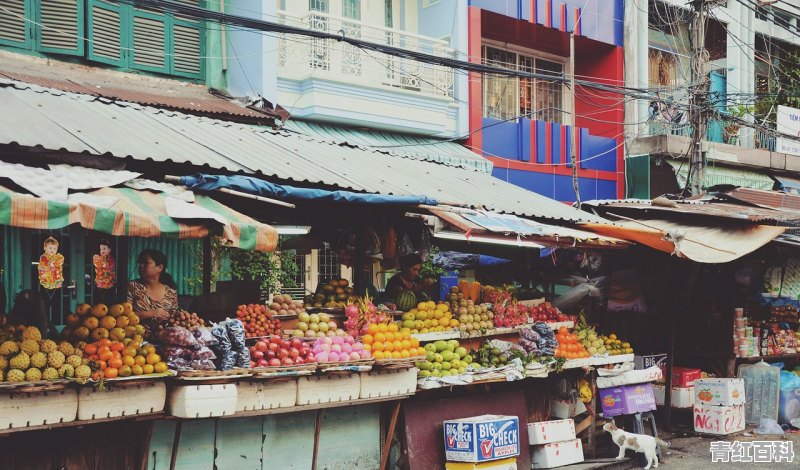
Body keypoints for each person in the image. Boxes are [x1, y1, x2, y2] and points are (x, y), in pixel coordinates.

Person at [127, 249, 178, 331]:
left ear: (160, 267)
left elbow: (175, 320)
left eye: (146, 263)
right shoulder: (132, 286)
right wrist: (150, 313)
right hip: (136, 339)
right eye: (140, 262)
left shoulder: (171, 292)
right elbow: (124, 317)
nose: (141, 265)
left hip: (163, 339)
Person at [93, 239, 116, 304]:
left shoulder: (111, 260)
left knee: (108, 301)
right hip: (100, 285)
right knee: (99, 302)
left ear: (109, 250)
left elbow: (107, 268)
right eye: (101, 249)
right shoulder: (99, 258)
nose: (102, 251)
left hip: (109, 285)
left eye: (104, 249)